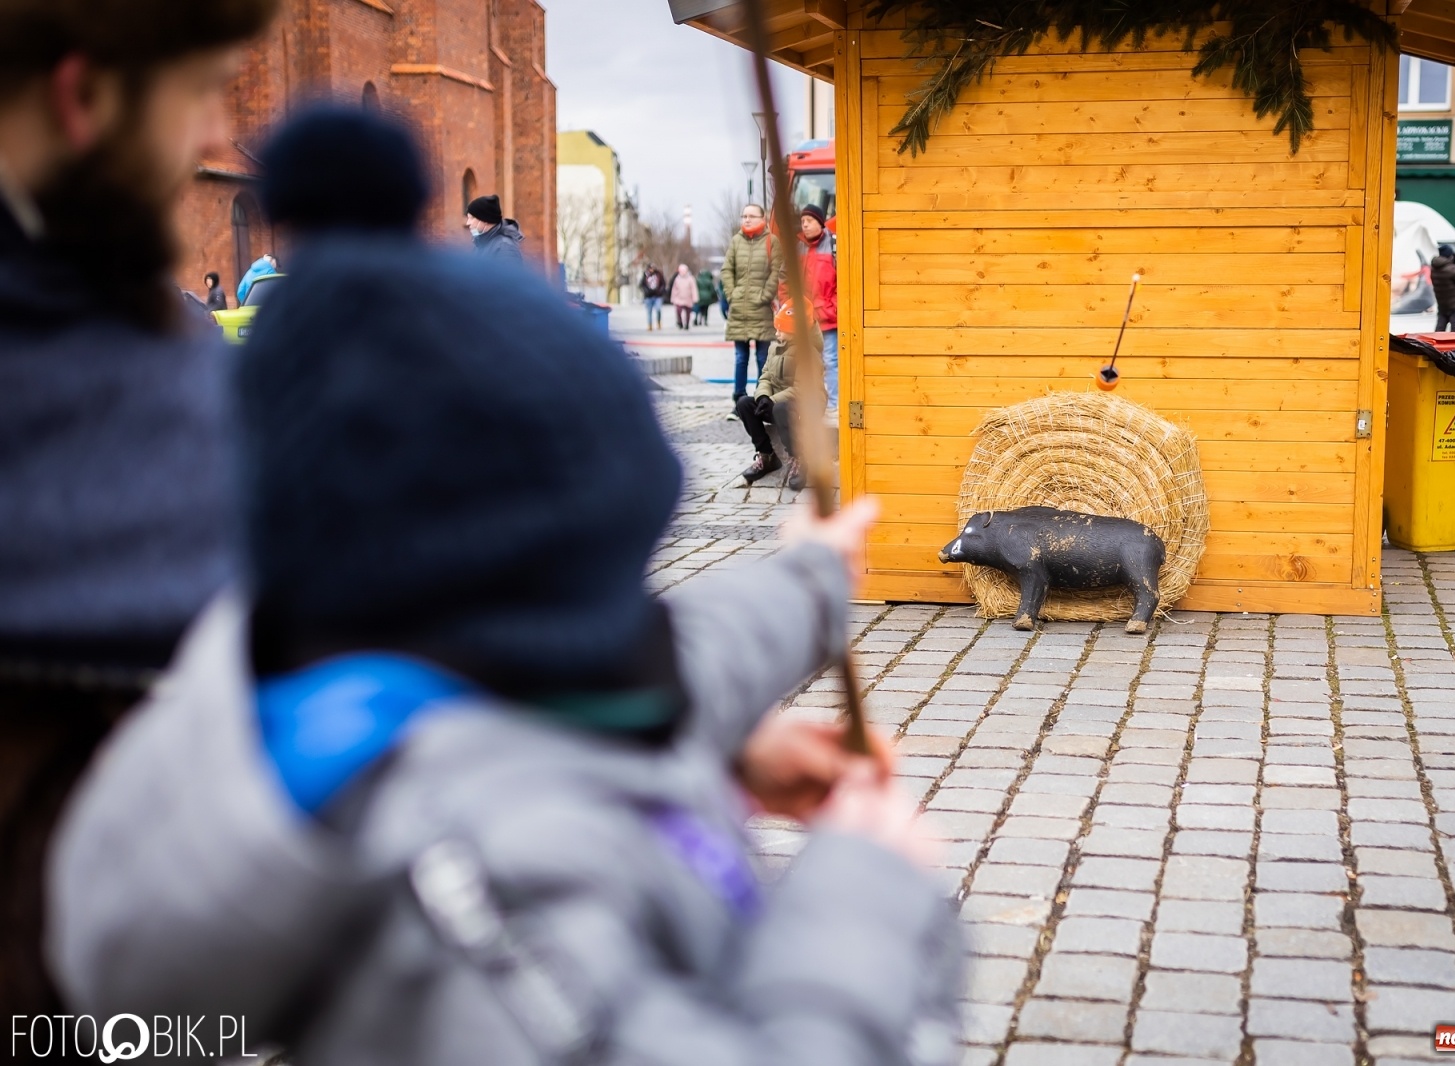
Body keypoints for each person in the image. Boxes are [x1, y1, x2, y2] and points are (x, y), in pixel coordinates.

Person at [48, 115, 963, 1064]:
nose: (625, 609)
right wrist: (867, 896)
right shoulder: (482, 875)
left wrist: (810, 580)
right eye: (606, 564)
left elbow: (688, 654)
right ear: (522, 582)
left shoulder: (401, 666)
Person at [0, 0, 280, 1017]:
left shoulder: (140, 334)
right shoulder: (92, 373)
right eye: (204, 92)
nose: (218, 139)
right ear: (82, 97)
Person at [736, 300, 822, 491]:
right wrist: (763, 397)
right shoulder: (774, 348)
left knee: (782, 408)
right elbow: (765, 376)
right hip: (778, 403)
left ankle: (799, 458)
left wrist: (773, 401)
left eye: (781, 329)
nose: (776, 333)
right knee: (744, 404)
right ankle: (767, 456)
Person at [721, 203, 779, 409]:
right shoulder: (736, 241)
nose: (746, 219)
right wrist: (732, 294)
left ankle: (760, 400)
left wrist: (765, 295)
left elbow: (777, 271)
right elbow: (726, 269)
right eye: (744, 215)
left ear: (762, 218)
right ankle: (739, 400)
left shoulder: (772, 242)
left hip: (762, 310)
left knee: (763, 357)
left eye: (751, 216)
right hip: (739, 310)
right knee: (740, 357)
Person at [789, 203, 839, 411]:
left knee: (830, 360)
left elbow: (843, 281)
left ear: (820, 222)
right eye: (802, 222)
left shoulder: (835, 246)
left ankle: (834, 403)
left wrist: (833, 308)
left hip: (827, 318)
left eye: (809, 221)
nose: (805, 225)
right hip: (805, 319)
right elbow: (788, 280)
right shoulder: (798, 247)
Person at [464, 194, 524, 262]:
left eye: (472, 218)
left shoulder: (505, 248)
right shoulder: (480, 243)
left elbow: (509, 272)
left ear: (485, 219)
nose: (468, 223)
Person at [1430, 243, 1455, 332]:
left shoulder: (1434, 268)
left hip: (1443, 305)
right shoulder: (1452, 269)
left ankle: (1436, 346)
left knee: (1439, 331)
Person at [669, 261, 696, 330]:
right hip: (679, 298)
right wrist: (673, 298)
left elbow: (694, 289)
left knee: (688, 312)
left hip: (688, 298)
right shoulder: (677, 279)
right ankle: (680, 322)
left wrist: (695, 298)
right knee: (678, 311)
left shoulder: (691, 279)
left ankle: (687, 324)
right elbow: (674, 289)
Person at [640, 262, 667, 330]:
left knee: (658, 309)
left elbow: (663, 284)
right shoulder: (645, 275)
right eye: (651, 268)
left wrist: (661, 291)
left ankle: (658, 322)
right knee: (649, 311)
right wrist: (646, 290)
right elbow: (642, 285)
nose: (652, 269)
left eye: (653, 268)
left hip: (657, 296)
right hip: (648, 296)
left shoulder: (659, 274)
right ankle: (650, 325)